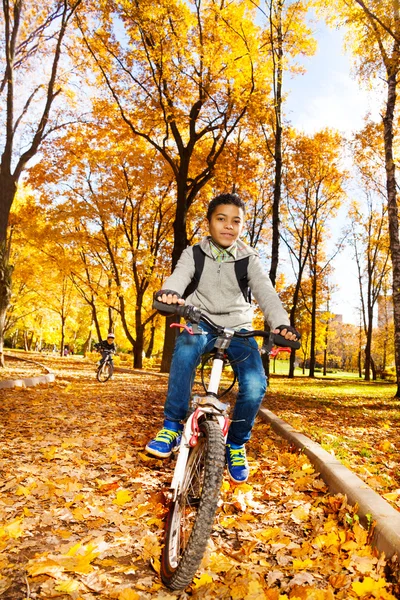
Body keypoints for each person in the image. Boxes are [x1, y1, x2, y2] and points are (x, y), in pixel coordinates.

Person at [146, 193, 300, 483]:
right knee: (186, 348)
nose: (228, 226)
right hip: (200, 321)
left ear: (242, 226)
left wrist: (281, 325)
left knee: (255, 384)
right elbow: (179, 277)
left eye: (236, 221)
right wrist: (171, 293)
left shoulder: (249, 259)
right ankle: (171, 426)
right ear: (209, 222)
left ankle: (237, 443)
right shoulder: (194, 253)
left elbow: (267, 294)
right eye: (221, 218)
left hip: (239, 328)